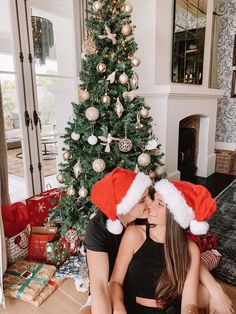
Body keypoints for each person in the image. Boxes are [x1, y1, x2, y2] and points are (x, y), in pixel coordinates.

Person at [80, 168, 234, 314]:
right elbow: (101, 284)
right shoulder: (99, 230)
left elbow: (183, 254)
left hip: (164, 287)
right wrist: (119, 307)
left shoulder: (147, 217)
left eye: (151, 197)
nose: (149, 204)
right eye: (142, 200)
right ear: (127, 204)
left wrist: (215, 289)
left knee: (215, 299)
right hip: (114, 289)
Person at [109, 179, 215, 313]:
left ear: (174, 216)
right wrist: (119, 307)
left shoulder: (190, 249)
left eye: (159, 204)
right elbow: (115, 282)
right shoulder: (134, 234)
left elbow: (189, 303)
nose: (150, 206)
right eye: (154, 199)